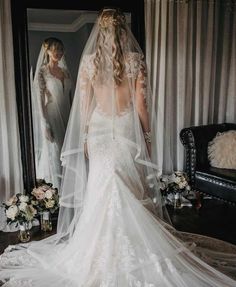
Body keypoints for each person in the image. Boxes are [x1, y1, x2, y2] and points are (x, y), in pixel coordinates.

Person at [0, 8, 236, 287]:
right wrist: (148, 137)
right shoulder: (136, 60)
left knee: (102, 185)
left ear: (100, 33)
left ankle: (97, 248)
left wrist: (86, 136)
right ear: (124, 31)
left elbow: (85, 106)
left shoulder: (89, 63)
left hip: (99, 130)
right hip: (126, 129)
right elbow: (140, 104)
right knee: (126, 183)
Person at [31, 37, 73, 189]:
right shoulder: (42, 72)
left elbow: (70, 97)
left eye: (61, 49)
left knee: (69, 153)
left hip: (68, 115)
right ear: (47, 51)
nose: (59, 52)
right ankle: (57, 191)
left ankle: (70, 190)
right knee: (56, 153)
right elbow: (39, 101)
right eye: (55, 49)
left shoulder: (66, 72)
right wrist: (45, 124)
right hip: (52, 116)